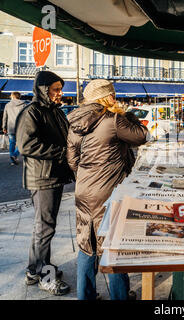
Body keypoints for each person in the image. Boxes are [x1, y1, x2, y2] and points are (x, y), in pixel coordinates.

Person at [66, 79, 148, 300]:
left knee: (87, 243)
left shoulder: (75, 122)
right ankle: (120, 296)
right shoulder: (113, 120)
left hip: (83, 190)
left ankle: (86, 295)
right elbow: (141, 135)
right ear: (107, 97)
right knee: (113, 246)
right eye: (113, 95)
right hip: (108, 192)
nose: (115, 98)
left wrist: (88, 176)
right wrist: (127, 116)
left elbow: (72, 161)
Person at [15, 71, 74, 295]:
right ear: (43, 90)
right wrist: (62, 153)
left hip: (53, 175)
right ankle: (44, 275)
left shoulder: (55, 112)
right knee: (45, 228)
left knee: (43, 227)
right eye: (55, 89)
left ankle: (33, 269)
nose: (60, 93)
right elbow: (27, 145)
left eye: (60, 89)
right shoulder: (31, 112)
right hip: (42, 178)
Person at [2, 92, 25, 165]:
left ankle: (12, 160)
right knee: (21, 143)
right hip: (20, 127)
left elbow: (5, 117)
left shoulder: (7, 105)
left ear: (12, 96)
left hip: (10, 127)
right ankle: (14, 155)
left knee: (12, 143)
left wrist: (4, 127)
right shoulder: (24, 105)